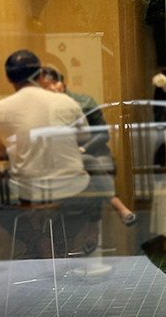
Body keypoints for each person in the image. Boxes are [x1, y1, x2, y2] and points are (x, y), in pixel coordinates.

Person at [0, 49, 105, 260]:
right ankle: (57, 244)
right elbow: (84, 138)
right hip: (70, 189)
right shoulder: (66, 103)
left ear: (8, 78)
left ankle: (37, 241)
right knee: (89, 194)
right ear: (41, 74)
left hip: (28, 191)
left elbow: (1, 152)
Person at [38, 67, 136, 227]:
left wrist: (83, 148)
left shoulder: (84, 102)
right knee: (89, 167)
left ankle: (91, 226)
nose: (51, 88)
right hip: (65, 157)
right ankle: (106, 216)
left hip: (92, 151)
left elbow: (102, 134)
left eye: (54, 83)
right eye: (45, 85)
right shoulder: (42, 108)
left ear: (63, 83)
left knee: (100, 166)